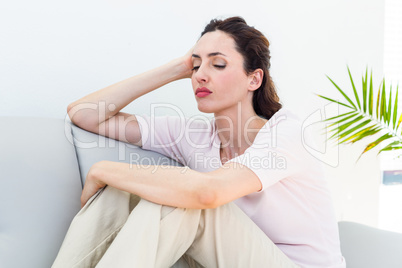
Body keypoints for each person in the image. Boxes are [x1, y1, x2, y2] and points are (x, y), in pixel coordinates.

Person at [53, 16, 346, 268]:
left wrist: (106, 170)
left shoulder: (287, 133)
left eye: (218, 64)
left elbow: (208, 193)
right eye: (196, 67)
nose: (200, 76)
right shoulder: (193, 136)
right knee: (128, 193)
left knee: (183, 200)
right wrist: (178, 67)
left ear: (254, 79)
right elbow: (84, 115)